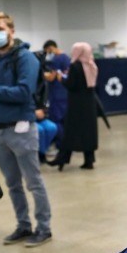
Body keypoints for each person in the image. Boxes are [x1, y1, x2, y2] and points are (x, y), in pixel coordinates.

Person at [0, 12, 51, 247]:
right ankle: (23, 225)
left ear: (12, 31)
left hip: (22, 129)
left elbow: (25, 92)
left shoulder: (26, 58)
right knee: (12, 184)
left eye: (0, 28)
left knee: (33, 182)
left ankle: (44, 228)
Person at [54, 42, 99, 170]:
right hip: (89, 104)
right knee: (88, 132)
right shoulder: (92, 65)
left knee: (71, 131)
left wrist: (61, 78)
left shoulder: (75, 66)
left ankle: (62, 160)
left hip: (76, 104)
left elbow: (70, 84)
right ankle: (89, 160)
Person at [42, 40, 69, 146]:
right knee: (65, 121)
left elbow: (52, 77)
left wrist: (42, 74)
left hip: (57, 94)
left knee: (57, 120)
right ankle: (68, 143)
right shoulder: (67, 58)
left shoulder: (56, 60)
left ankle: (60, 144)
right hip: (66, 93)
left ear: (50, 48)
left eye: (47, 52)